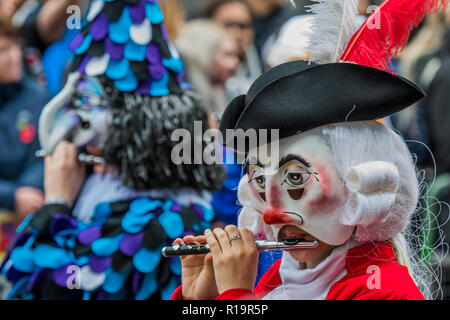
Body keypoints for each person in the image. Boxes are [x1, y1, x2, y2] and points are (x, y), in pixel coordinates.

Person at [171, 0, 447, 300]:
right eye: (260, 183)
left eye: (295, 179)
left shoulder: (386, 290)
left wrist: (237, 295)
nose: (272, 215)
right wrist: (199, 300)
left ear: (358, 183)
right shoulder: (281, 276)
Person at [1, 0, 225, 300]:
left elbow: (44, 288)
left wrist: (56, 204)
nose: (66, 121)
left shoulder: (156, 223)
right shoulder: (100, 186)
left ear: (137, 119)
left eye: (85, 102)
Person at [0, 17, 48, 224]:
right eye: (3, 51)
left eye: (15, 47)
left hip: (30, 208)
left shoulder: (37, 96)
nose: (14, 57)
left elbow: (45, 152)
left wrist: (26, 193)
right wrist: (12, 197)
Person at [176, 19, 240, 126]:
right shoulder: (186, 100)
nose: (236, 63)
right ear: (204, 54)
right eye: (228, 55)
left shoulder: (219, 92)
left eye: (237, 55)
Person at [204, 0, 263, 103]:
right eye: (227, 25)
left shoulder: (262, 62)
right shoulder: (197, 74)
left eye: (243, 26)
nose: (236, 33)